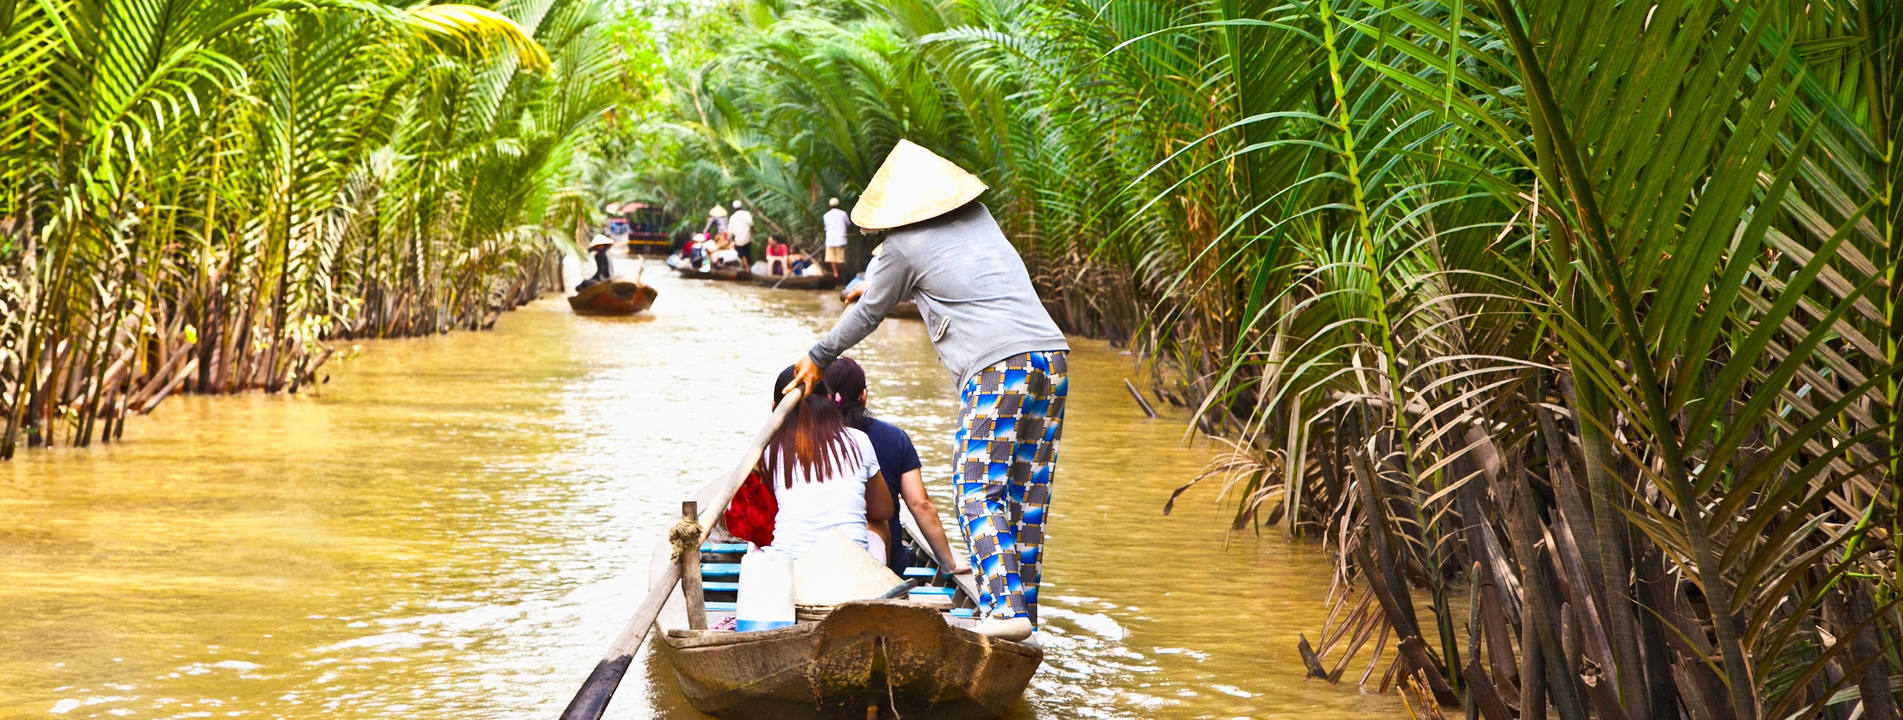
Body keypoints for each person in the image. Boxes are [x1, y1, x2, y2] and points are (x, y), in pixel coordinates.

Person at [785, 140, 1069, 641]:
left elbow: (871, 312)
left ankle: (1003, 609)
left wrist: (817, 356)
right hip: (1051, 357)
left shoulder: (899, 247)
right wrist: (874, 285)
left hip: (997, 367)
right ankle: (1024, 615)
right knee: (1027, 497)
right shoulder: (981, 218)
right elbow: (950, 280)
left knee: (976, 488)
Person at [823, 356, 965, 576]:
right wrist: (948, 563)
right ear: (863, 396)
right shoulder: (894, 438)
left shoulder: (806, 439)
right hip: (885, 560)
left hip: (817, 552)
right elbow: (920, 504)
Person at [761, 365, 895, 562]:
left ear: (775, 409)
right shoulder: (859, 440)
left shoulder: (768, 450)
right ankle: (879, 584)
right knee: (880, 525)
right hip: (850, 566)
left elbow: (755, 516)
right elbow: (883, 510)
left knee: (756, 540)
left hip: (792, 564)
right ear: (830, 403)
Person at [822, 196, 850, 278]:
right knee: (840, 259)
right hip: (840, 239)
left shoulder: (826, 215)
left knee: (832, 258)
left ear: (829, 206)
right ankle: (838, 273)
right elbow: (848, 223)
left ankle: (835, 273)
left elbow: (826, 227)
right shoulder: (843, 213)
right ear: (838, 205)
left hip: (830, 240)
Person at [730, 200, 755, 266]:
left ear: (733, 208)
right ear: (741, 207)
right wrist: (754, 231)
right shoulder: (746, 213)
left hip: (738, 240)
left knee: (742, 255)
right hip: (747, 238)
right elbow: (751, 224)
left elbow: (730, 231)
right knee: (747, 254)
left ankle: (747, 269)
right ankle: (748, 267)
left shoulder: (732, 217)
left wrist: (729, 239)